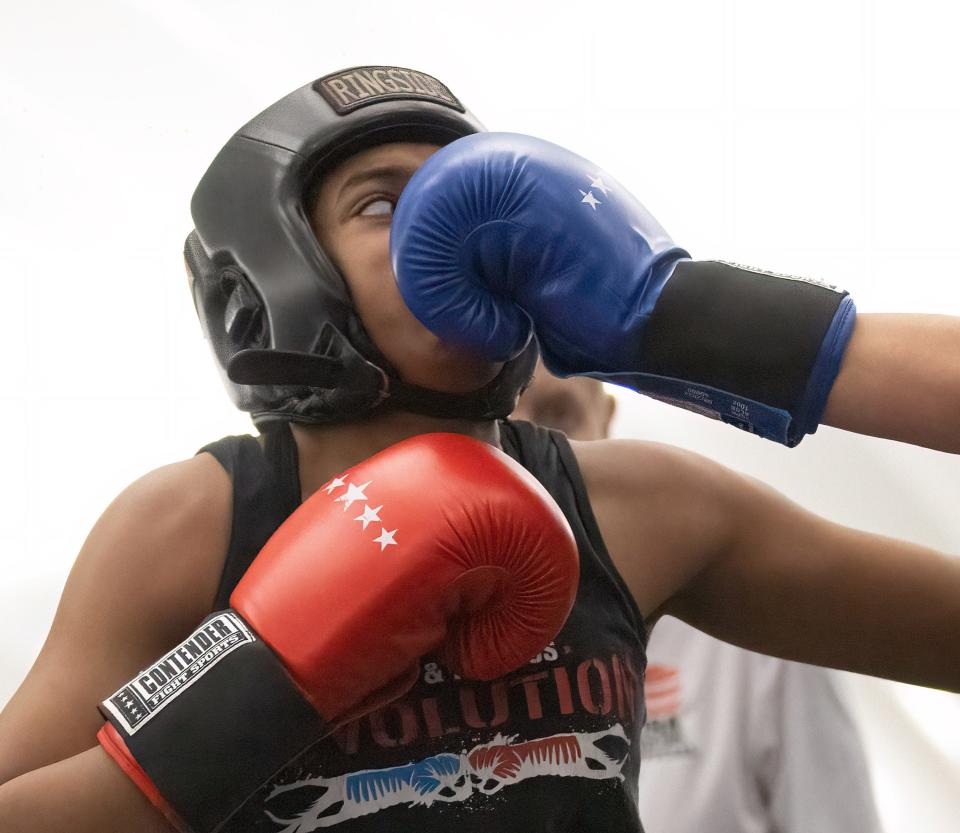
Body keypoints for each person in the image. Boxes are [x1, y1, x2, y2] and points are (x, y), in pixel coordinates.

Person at [0, 65, 957, 833]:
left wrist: (685, 319)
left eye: (468, 197)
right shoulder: (194, 521)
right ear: (281, 268)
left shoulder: (640, 506)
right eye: (384, 206)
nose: (451, 234)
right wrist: (261, 677)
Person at [513, 364, 885, 833]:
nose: (528, 457)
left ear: (606, 421)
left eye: (557, 415)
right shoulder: (421, 654)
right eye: (500, 427)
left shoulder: (757, 638)